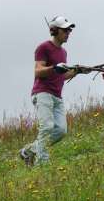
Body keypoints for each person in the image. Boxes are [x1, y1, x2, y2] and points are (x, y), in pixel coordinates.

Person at [20, 15, 86, 166]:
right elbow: (38, 71)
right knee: (48, 127)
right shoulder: (43, 48)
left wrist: (78, 71)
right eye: (65, 30)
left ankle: (29, 151)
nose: (68, 33)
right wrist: (54, 67)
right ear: (54, 31)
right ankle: (42, 165)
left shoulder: (63, 52)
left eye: (69, 30)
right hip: (43, 93)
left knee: (61, 130)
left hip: (57, 96)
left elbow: (61, 76)